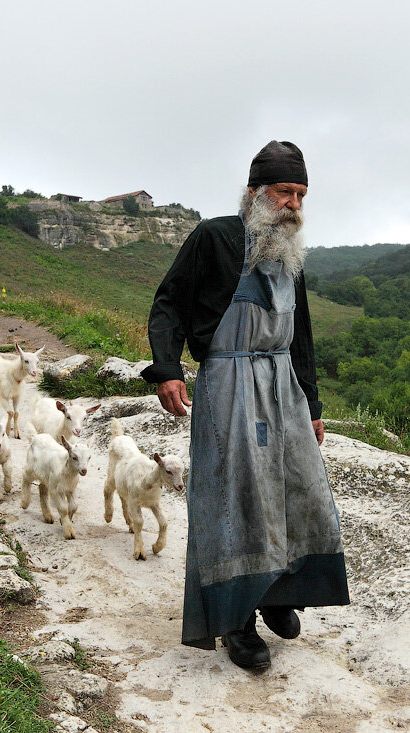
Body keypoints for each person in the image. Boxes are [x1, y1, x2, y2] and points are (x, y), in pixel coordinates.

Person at [141, 140, 350, 672]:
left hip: (282, 382)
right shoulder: (214, 236)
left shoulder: (289, 253)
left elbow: (299, 333)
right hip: (230, 381)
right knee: (238, 497)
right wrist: (166, 369)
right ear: (257, 191)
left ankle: (278, 592)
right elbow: (169, 302)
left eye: (301, 195)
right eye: (286, 192)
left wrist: (313, 402)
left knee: (295, 489)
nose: (294, 205)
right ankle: (237, 621)